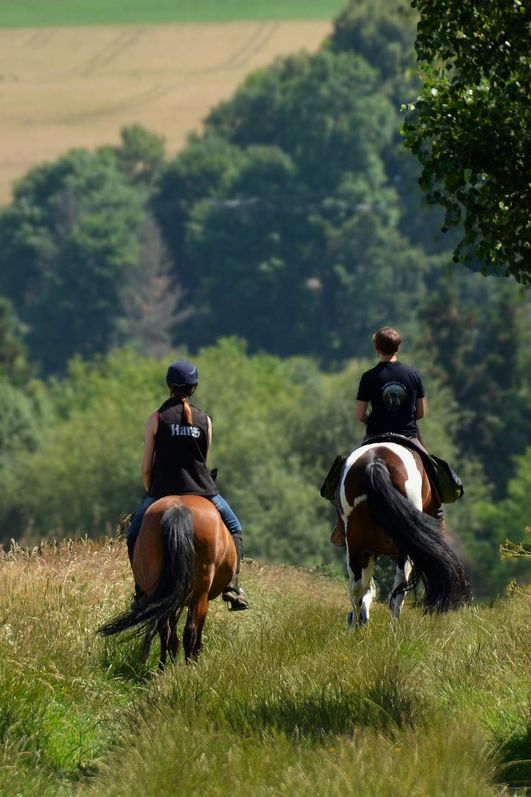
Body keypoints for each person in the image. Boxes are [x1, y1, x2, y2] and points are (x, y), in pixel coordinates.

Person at [127, 358, 249, 611]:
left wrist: (153, 490)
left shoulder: (156, 419)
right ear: (194, 387)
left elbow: (146, 467)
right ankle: (233, 587)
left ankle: (140, 590)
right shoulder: (205, 420)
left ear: (169, 385)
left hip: (162, 490)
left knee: (134, 533)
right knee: (235, 528)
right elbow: (203, 460)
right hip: (202, 490)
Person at [329, 326, 445, 547]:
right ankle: (437, 517)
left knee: (342, 472)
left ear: (376, 348)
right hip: (408, 436)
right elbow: (421, 413)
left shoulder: (368, 377)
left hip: (375, 435)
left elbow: (359, 415)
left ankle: (341, 525)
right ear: (398, 347)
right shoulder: (413, 375)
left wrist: (373, 420)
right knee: (433, 473)